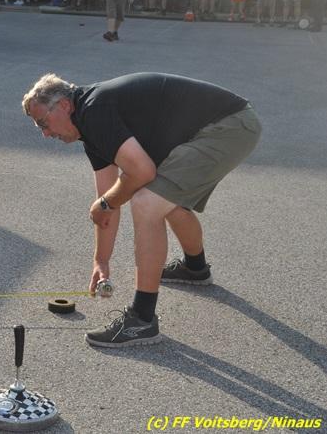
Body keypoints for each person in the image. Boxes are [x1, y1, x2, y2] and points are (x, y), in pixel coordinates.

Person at [21, 72, 261, 347]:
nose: (45, 133)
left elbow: (139, 174)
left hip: (229, 127)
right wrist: (101, 261)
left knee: (147, 202)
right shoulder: (89, 125)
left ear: (64, 105)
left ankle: (142, 320)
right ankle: (195, 269)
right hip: (230, 123)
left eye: (43, 123)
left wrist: (106, 204)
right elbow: (108, 200)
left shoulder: (95, 111)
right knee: (163, 197)